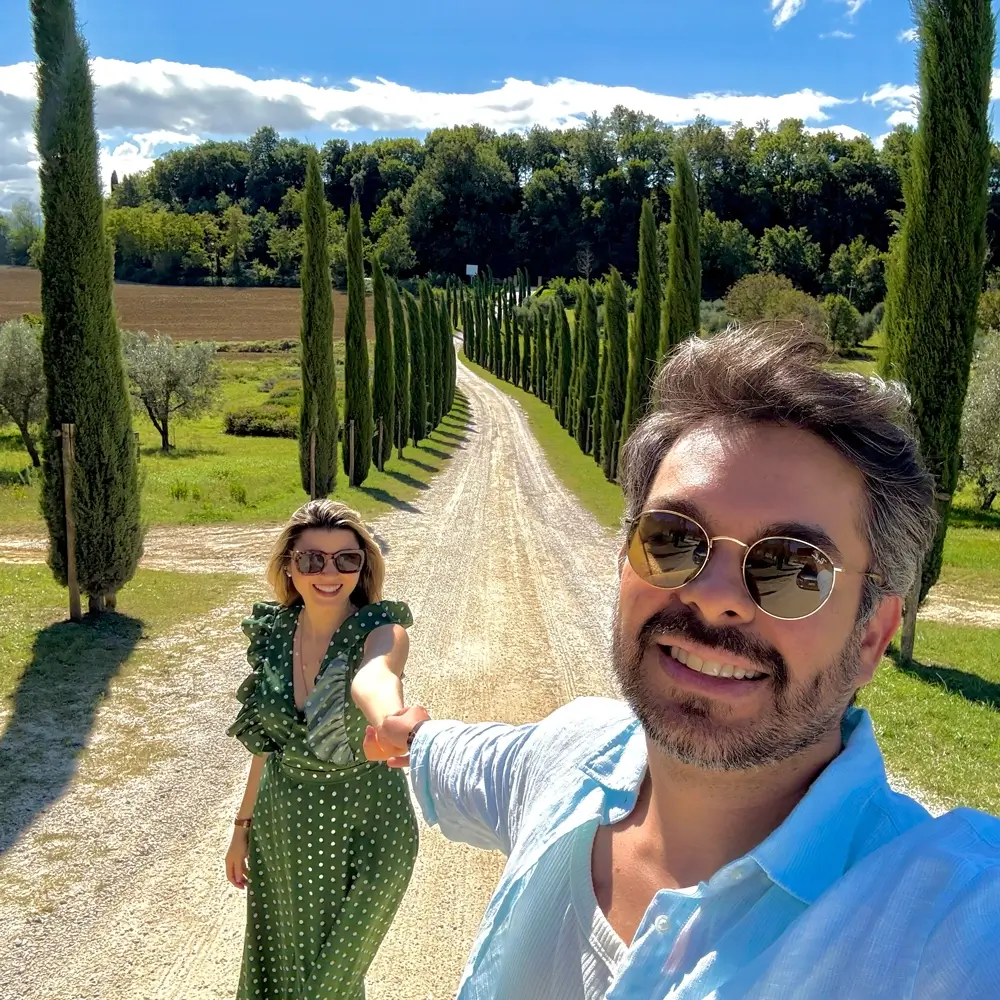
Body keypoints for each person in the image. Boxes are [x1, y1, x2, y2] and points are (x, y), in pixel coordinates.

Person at [368, 328, 1000, 999]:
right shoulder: (567, 757)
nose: (714, 597)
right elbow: (438, 749)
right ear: (623, 564)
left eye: (793, 567)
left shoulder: (951, 924)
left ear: (873, 634)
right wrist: (382, 696)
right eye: (673, 539)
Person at [225, 499, 418, 1000]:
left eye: (345, 559)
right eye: (312, 559)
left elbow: (377, 678)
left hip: (366, 832)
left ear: (363, 566)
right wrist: (241, 828)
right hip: (282, 831)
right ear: (290, 566)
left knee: (329, 982)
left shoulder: (381, 631)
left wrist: (391, 721)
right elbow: (266, 745)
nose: (327, 573)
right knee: (281, 967)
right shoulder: (275, 633)